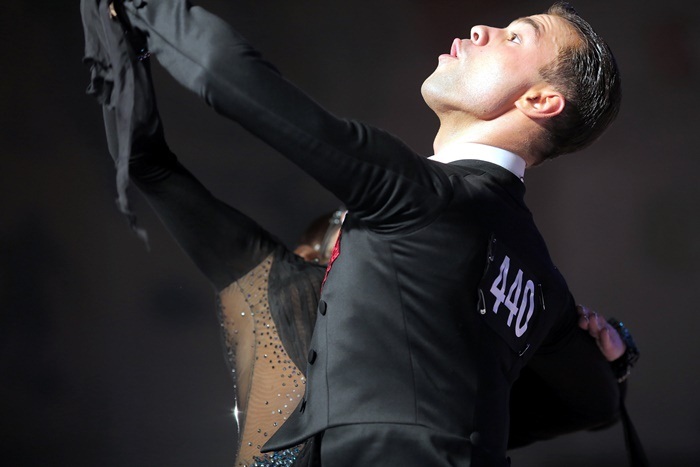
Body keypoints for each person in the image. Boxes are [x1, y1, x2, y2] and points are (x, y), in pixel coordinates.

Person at [81, 1, 643, 465]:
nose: (481, 29)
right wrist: (612, 358)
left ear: (540, 101)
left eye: (516, 37)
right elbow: (595, 402)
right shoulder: (540, 282)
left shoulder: (428, 198)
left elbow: (228, 78)